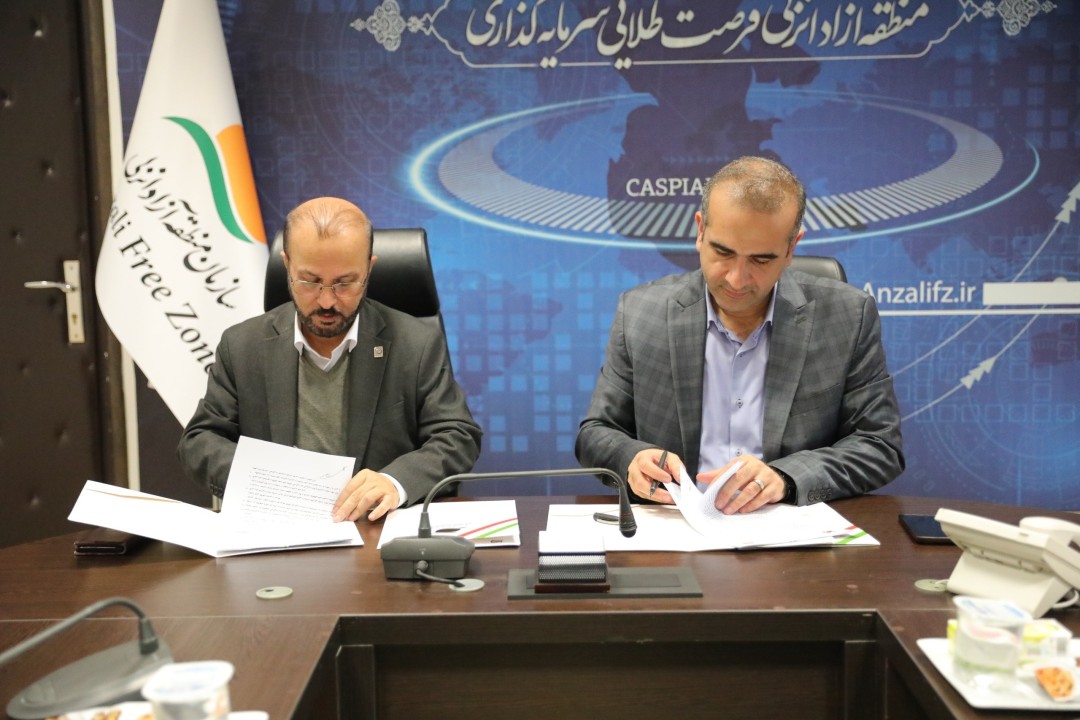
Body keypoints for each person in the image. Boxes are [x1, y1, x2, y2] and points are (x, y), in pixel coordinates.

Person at [576, 156, 903, 514]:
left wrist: (785, 478)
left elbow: (880, 446)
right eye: (723, 252)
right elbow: (596, 432)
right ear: (700, 231)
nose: (736, 279)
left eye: (761, 260)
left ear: (791, 248)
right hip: (676, 526)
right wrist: (632, 458)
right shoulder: (641, 313)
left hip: (788, 528)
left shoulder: (848, 316)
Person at [178, 197, 482, 522]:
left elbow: (457, 435)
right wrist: (264, 480)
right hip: (276, 528)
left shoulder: (415, 343)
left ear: (369, 269)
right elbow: (200, 441)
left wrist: (394, 482)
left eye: (344, 283)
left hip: (374, 527)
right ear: (287, 265)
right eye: (310, 281)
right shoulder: (242, 346)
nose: (326, 301)